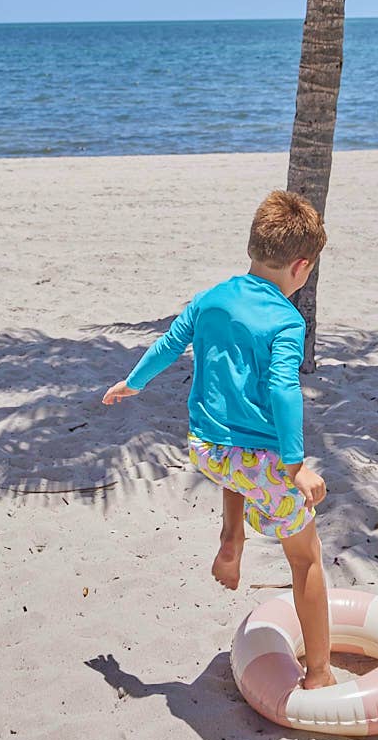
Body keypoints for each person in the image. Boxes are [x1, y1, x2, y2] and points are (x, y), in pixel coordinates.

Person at [102, 190, 335, 691]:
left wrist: (133, 382)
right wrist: (295, 465)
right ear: (301, 267)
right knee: (307, 557)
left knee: (243, 460)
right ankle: (319, 674)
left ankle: (232, 538)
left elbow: (169, 342)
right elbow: (282, 387)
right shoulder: (288, 320)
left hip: (207, 449)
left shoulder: (212, 297)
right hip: (257, 458)